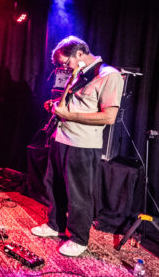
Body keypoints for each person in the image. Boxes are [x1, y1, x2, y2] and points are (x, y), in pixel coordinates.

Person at [31, 36, 123, 257]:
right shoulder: (80, 74)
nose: (64, 67)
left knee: (79, 194)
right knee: (54, 186)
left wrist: (68, 114)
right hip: (60, 138)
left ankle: (79, 238)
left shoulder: (109, 75)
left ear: (79, 54)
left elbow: (108, 117)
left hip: (83, 145)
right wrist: (55, 107)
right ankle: (55, 225)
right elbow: (77, 104)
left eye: (66, 62)